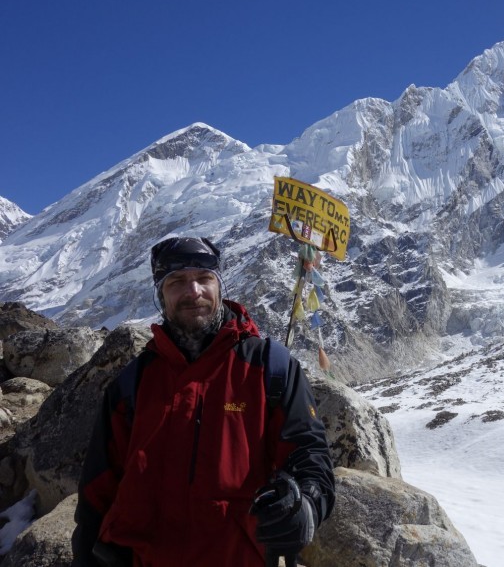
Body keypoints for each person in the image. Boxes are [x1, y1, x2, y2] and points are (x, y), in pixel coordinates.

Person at [72, 236, 335, 567]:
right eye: (177, 282)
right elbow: (98, 489)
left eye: (203, 278)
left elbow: (309, 456)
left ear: (219, 286)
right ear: (160, 294)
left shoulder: (270, 368)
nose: (193, 291)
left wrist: (306, 505)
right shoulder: (132, 383)